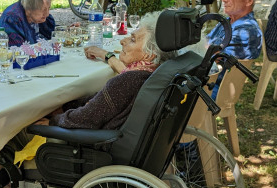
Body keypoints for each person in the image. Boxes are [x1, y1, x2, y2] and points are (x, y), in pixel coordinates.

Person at [38, 12, 176, 129]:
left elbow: (86, 118)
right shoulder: (154, 72)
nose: (123, 41)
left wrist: (53, 121)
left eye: (133, 40)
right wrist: (67, 107)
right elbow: (101, 100)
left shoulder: (129, 80)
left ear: (149, 54)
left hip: (96, 145)